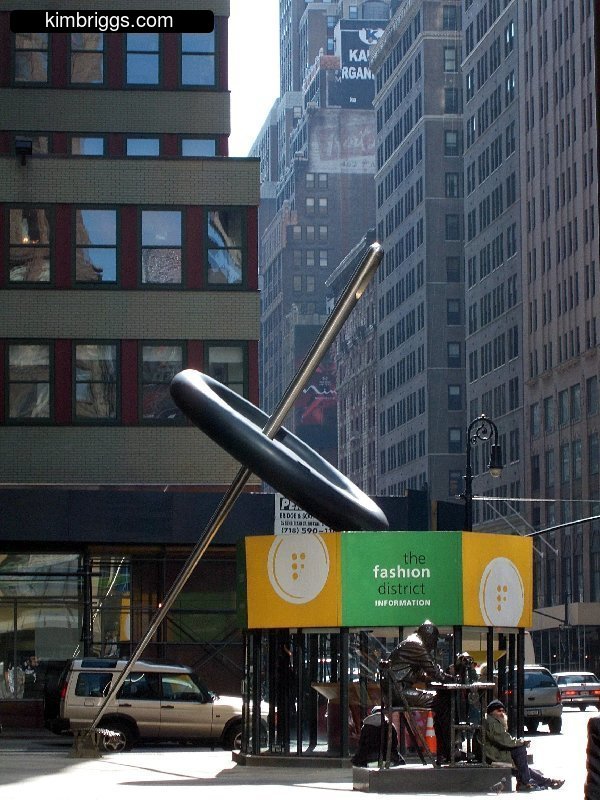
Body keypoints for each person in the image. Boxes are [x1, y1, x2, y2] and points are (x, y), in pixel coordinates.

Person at [381, 620, 453, 763]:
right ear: (430, 637)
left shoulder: (411, 642)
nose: (434, 645)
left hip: (395, 691)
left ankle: (445, 752)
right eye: (434, 641)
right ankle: (446, 752)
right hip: (399, 693)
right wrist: (453, 679)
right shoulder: (417, 645)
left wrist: (433, 679)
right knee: (444, 701)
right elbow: (433, 670)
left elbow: (421, 674)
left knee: (442, 700)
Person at [482, 699, 565, 792]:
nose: (501, 713)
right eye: (498, 711)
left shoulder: (493, 721)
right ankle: (524, 783)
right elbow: (505, 740)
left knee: (523, 768)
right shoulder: (492, 722)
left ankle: (548, 782)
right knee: (520, 750)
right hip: (492, 756)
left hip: (494, 753)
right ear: (492, 712)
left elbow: (503, 740)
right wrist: (521, 742)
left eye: (502, 711)